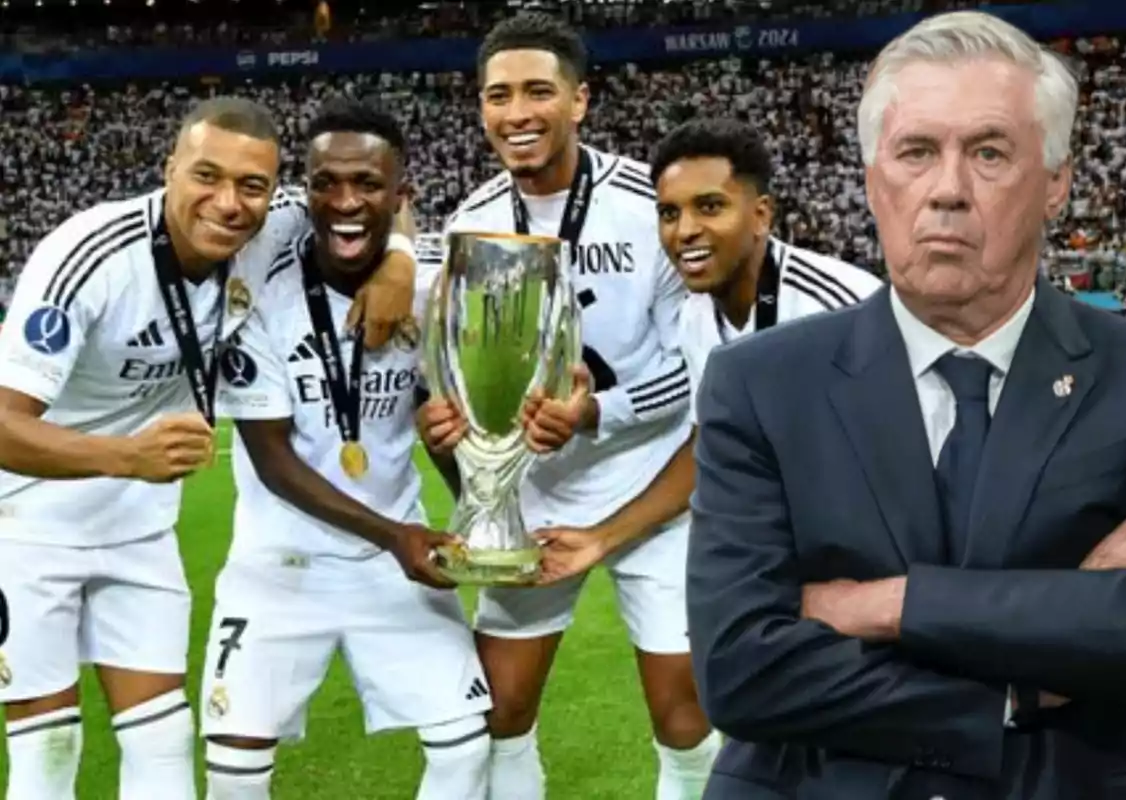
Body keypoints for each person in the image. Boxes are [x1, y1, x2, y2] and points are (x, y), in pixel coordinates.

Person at [687, 11, 1126, 800]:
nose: (948, 191)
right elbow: (740, 670)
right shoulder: (757, 383)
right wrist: (1024, 681)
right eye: (916, 152)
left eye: (989, 152)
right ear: (871, 177)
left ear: (1057, 180)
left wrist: (886, 605)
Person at [0, 97, 417, 800]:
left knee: (163, 746)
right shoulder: (90, 256)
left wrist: (400, 261)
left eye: (252, 186)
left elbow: (373, 207)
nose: (228, 203)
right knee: (48, 751)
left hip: (141, 530)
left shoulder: (274, 222)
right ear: (169, 170)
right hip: (28, 526)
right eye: (206, 176)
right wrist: (124, 457)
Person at [418, 13, 718, 800]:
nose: (517, 113)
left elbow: (693, 382)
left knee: (683, 712)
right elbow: (451, 374)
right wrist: (459, 445)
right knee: (501, 711)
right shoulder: (470, 225)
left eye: (538, 92)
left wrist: (595, 413)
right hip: (536, 500)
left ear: (580, 101)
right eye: (498, 96)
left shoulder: (648, 208)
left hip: (654, 491)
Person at [200, 98, 491, 800]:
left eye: (367, 184)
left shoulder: (433, 294)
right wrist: (398, 536)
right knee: (233, 775)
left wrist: (465, 477)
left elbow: (450, 433)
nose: (346, 201)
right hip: (279, 565)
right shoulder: (259, 291)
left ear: (402, 196)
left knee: (465, 748)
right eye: (326, 183)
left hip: (390, 568)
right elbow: (274, 462)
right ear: (304, 190)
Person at [648, 117, 882, 418]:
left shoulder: (843, 311)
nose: (684, 231)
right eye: (669, 213)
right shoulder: (693, 318)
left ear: (761, 215)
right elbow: (718, 445)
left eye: (710, 207)